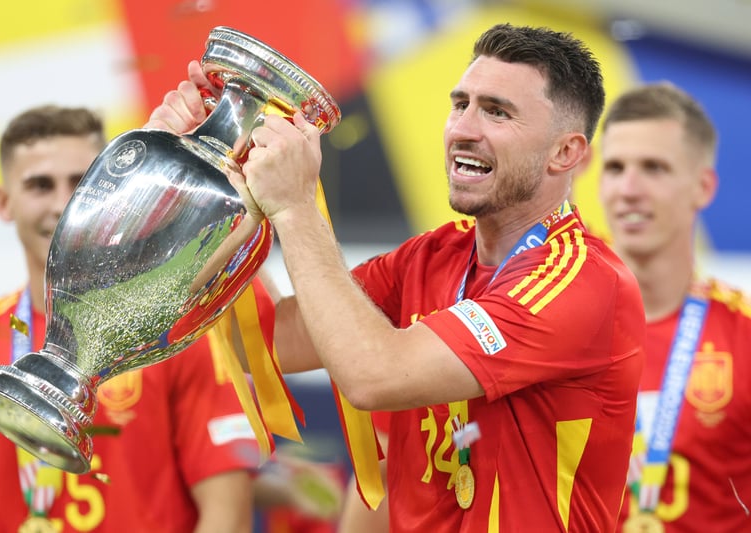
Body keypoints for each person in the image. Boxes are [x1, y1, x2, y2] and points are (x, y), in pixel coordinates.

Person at [147, 23, 646, 531]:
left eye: (497, 112)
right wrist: (207, 179)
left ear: (566, 153)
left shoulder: (582, 282)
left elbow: (374, 376)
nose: (463, 129)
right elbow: (265, 340)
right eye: (461, 104)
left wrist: (296, 207)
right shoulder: (429, 258)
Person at [0, 105, 263, 533]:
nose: (62, 204)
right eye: (40, 185)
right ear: (4, 203)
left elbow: (227, 515)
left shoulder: (173, 336)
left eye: (80, 183)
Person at [598, 83, 751, 532]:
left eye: (654, 168)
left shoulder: (743, 334)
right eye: (615, 167)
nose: (628, 189)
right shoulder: (546, 325)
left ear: (703, 187)